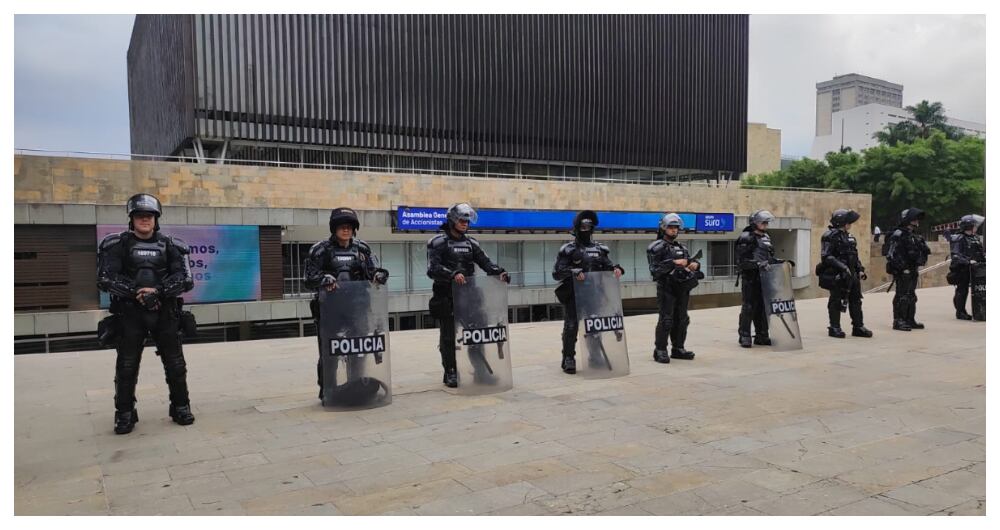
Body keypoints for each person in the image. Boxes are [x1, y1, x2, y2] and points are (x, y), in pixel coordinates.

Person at [97, 194, 195, 435]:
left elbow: (185, 278)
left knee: (175, 365)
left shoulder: (172, 245)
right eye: (139, 215)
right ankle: (125, 413)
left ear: (156, 219)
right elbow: (105, 278)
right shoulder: (116, 245)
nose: (144, 219)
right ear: (131, 219)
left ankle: (180, 406)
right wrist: (136, 293)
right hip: (130, 315)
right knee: (127, 366)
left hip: (165, 313)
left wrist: (158, 293)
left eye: (149, 216)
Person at [303, 207, 388, 402]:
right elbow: (308, 279)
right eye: (341, 226)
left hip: (357, 308)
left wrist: (379, 275)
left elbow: (372, 271)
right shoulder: (320, 250)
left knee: (358, 350)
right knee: (329, 352)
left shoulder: (362, 248)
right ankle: (328, 391)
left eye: (349, 227)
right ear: (334, 228)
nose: (346, 230)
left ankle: (356, 387)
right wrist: (324, 279)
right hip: (330, 310)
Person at [426, 203, 509, 388]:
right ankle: (451, 372)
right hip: (447, 296)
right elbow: (432, 269)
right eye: (462, 220)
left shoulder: (471, 243)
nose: (465, 223)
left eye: (467, 220)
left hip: (470, 296)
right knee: (448, 337)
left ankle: (480, 372)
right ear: (453, 220)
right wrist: (452, 274)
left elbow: (486, 263)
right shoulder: (438, 242)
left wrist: (499, 272)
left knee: (477, 334)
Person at [552, 210, 625, 374]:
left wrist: (616, 268)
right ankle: (568, 358)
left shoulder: (600, 249)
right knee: (571, 326)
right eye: (583, 226)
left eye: (589, 226)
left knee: (594, 326)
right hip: (574, 295)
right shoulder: (568, 249)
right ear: (577, 228)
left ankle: (595, 356)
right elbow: (557, 272)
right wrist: (574, 271)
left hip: (595, 294)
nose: (586, 229)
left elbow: (608, 265)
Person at [647, 213, 702, 363]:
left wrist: (694, 264)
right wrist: (674, 263)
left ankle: (678, 348)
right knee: (666, 319)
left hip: (682, 287)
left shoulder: (682, 247)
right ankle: (660, 350)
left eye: (676, 227)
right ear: (664, 228)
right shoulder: (656, 247)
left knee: (682, 319)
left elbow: (690, 262)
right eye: (671, 227)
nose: (674, 230)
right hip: (666, 288)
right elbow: (655, 270)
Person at [819, 209, 873, 338]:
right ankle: (834, 327)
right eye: (848, 221)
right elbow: (826, 256)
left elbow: (854, 256)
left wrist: (860, 269)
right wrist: (843, 267)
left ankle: (858, 327)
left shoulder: (850, 237)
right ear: (841, 222)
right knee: (836, 300)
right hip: (837, 275)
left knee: (856, 300)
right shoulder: (829, 236)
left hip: (852, 274)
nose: (850, 224)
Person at [884, 207, 931, 331]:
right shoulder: (898, 234)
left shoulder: (913, 235)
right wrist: (901, 267)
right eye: (914, 219)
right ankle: (898, 320)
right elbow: (891, 253)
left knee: (911, 295)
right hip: (903, 270)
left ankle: (910, 319)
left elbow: (922, 251)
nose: (917, 221)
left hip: (912, 269)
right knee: (902, 295)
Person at [735, 210, 776, 348]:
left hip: (764, 278)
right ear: (754, 222)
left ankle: (762, 335)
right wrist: (758, 264)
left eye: (766, 222)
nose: (765, 224)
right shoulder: (746, 237)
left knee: (763, 307)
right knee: (749, 307)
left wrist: (777, 262)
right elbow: (742, 262)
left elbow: (767, 257)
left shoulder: (766, 237)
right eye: (762, 222)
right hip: (750, 277)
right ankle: (744, 335)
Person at [948, 214, 986, 321]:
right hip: (962, 269)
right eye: (973, 225)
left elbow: (979, 252)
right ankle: (960, 312)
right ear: (968, 226)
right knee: (962, 290)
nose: (975, 227)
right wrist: (968, 261)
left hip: (976, 269)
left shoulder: (974, 237)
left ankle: (980, 311)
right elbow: (955, 255)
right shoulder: (959, 238)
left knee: (979, 290)